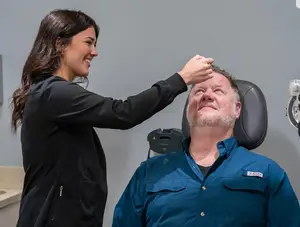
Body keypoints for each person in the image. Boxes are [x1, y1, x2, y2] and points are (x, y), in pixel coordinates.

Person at [10, 9, 214, 227]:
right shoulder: (53, 93)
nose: (94, 52)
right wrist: (182, 79)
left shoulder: (51, 95)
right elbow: (123, 113)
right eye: (88, 42)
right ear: (60, 43)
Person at [112, 65, 300, 227]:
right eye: (199, 91)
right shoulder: (149, 173)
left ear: (237, 109)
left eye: (218, 91)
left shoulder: (268, 173)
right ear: (188, 110)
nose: (207, 95)